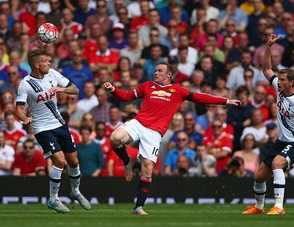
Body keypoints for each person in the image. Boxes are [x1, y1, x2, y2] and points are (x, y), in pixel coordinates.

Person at [103, 63, 241, 215]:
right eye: (155, 70)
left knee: (147, 168)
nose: (156, 72)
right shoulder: (147, 86)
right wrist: (113, 90)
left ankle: (138, 207)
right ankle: (127, 161)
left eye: (159, 71)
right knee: (115, 138)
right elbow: (126, 96)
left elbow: (200, 97)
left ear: (168, 74)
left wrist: (226, 101)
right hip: (139, 123)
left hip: (154, 132)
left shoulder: (178, 90)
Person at [242, 34, 294, 215]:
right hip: (281, 141)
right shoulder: (279, 88)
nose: (279, 81)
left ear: (291, 82)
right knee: (259, 176)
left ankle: (279, 206)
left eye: (283, 79)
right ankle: (259, 207)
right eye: (279, 79)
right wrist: (269, 47)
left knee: (277, 164)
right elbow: (266, 69)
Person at [15, 49, 91, 213]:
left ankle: (75, 191)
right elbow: (19, 109)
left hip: (59, 124)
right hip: (42, 128)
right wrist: (25, 118)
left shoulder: (53, 75)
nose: (49, 63)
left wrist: (61, 89)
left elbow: (75, 89)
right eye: (45, 61)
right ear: (37, 64)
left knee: (74, 162)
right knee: (59, 161)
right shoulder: (25, 84)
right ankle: (53, 199)